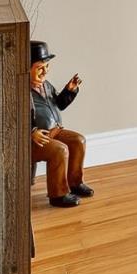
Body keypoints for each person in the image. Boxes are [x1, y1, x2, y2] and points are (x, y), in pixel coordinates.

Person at [29, 40, 92, 207]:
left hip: (55, 130)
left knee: (78, 141)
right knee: (59, 150)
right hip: (37, 138)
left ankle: (74, 183)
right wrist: (31, 131)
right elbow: (17, 116)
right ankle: (58, 194)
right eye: (39, 68)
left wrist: (69, 90)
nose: (44, 72)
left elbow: (59, 104)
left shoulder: (46, 86)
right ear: (26, 69)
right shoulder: (22, 90)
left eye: (47, 66)